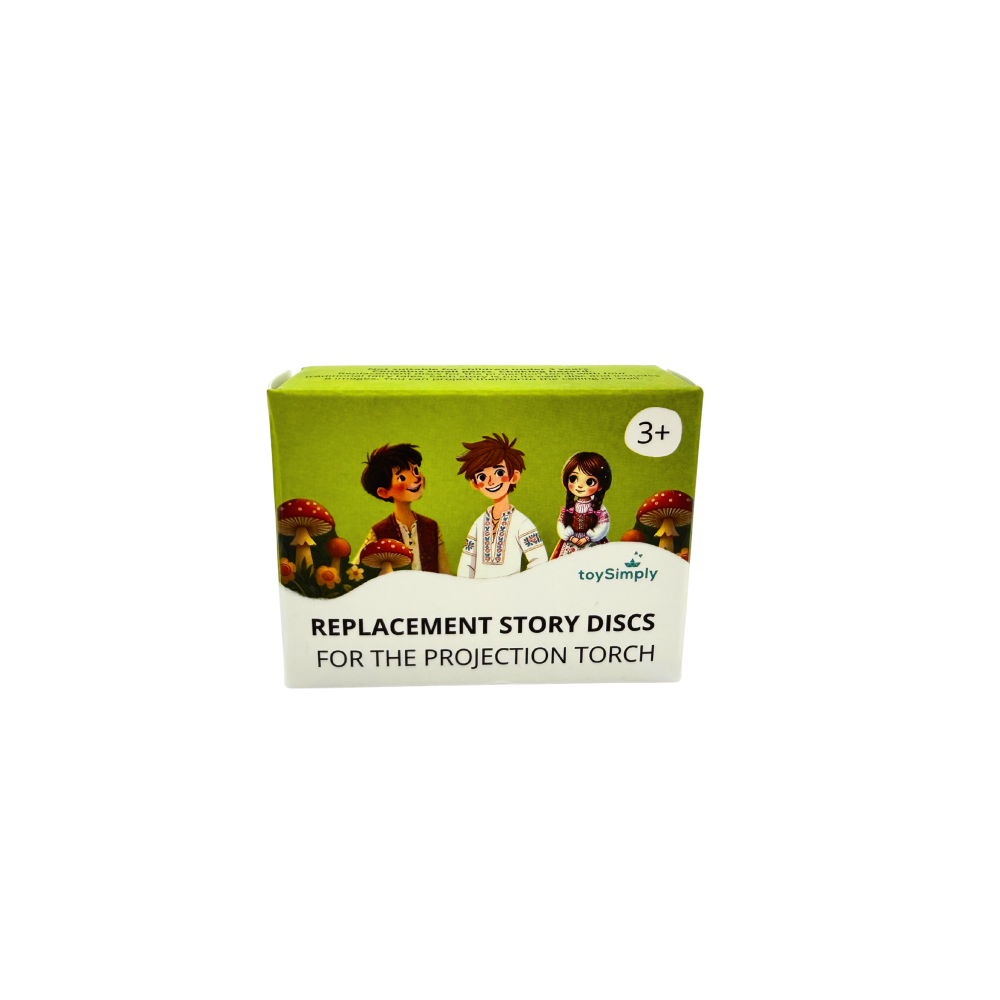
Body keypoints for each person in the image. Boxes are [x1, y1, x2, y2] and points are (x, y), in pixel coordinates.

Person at [455, 433, 546, 579]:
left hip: (509, 590)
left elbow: (539, 559)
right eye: (482, 477)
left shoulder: (521, 523)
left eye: (499, 472)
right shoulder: (479, 524)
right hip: (478, 590)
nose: (491, 481)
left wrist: (521, 585)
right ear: (475, 484)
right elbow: (467, 563)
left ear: (514, 476)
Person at [353, 443, 450, 572]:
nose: (415, 479)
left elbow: (444, 569)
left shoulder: (431, 526)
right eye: (402, 477)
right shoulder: (379, 531)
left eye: (415, 471)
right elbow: (355, 568)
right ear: (383, 492)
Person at [550, 452, 612, 559]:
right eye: (573, 479)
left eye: (589, 481)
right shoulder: (569, 507)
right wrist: (571, 538)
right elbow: (561, 525)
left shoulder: (599, 509)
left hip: (593, 544)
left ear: (600, 486)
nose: (579, 485)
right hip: (570, 544)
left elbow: (603, 526)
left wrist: (587, 538)